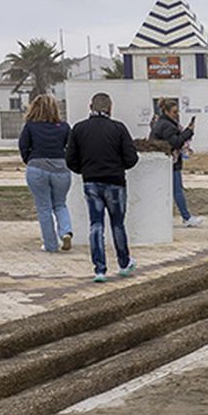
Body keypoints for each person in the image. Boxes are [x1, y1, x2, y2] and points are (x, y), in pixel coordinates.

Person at [65, 93, 138, 281]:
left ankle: (99, 269)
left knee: (96, 224)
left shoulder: (79, 129)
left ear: (90, 106)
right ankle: (124, 262)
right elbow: (131, 158)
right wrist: (118, 166)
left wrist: (85, 170)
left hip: (91, 182)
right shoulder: (118, 128)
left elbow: (70, 160)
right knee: (118, 224)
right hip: (115, 182)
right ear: (110, 108)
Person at [18, 95, 74, 253]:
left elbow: (23, 146)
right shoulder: (63, 126)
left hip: (37, 168)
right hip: (61, 169)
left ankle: (50, 245)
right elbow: (70, 147)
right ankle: (65, 232)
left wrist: (30, 160)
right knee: (60, 204)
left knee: (44, 208)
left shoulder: (30, 126)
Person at [150, 100, 202, 228]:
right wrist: (188, 132)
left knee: (171, 190)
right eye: (174, 112)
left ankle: (179, 216)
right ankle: (186, 217)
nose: (176, 114)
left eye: (177, 112)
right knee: (177, 190)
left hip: (165, 162)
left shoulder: (162, 123)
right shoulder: (167, 126)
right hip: (171, 163)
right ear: (166, 112)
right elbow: (175, 142)